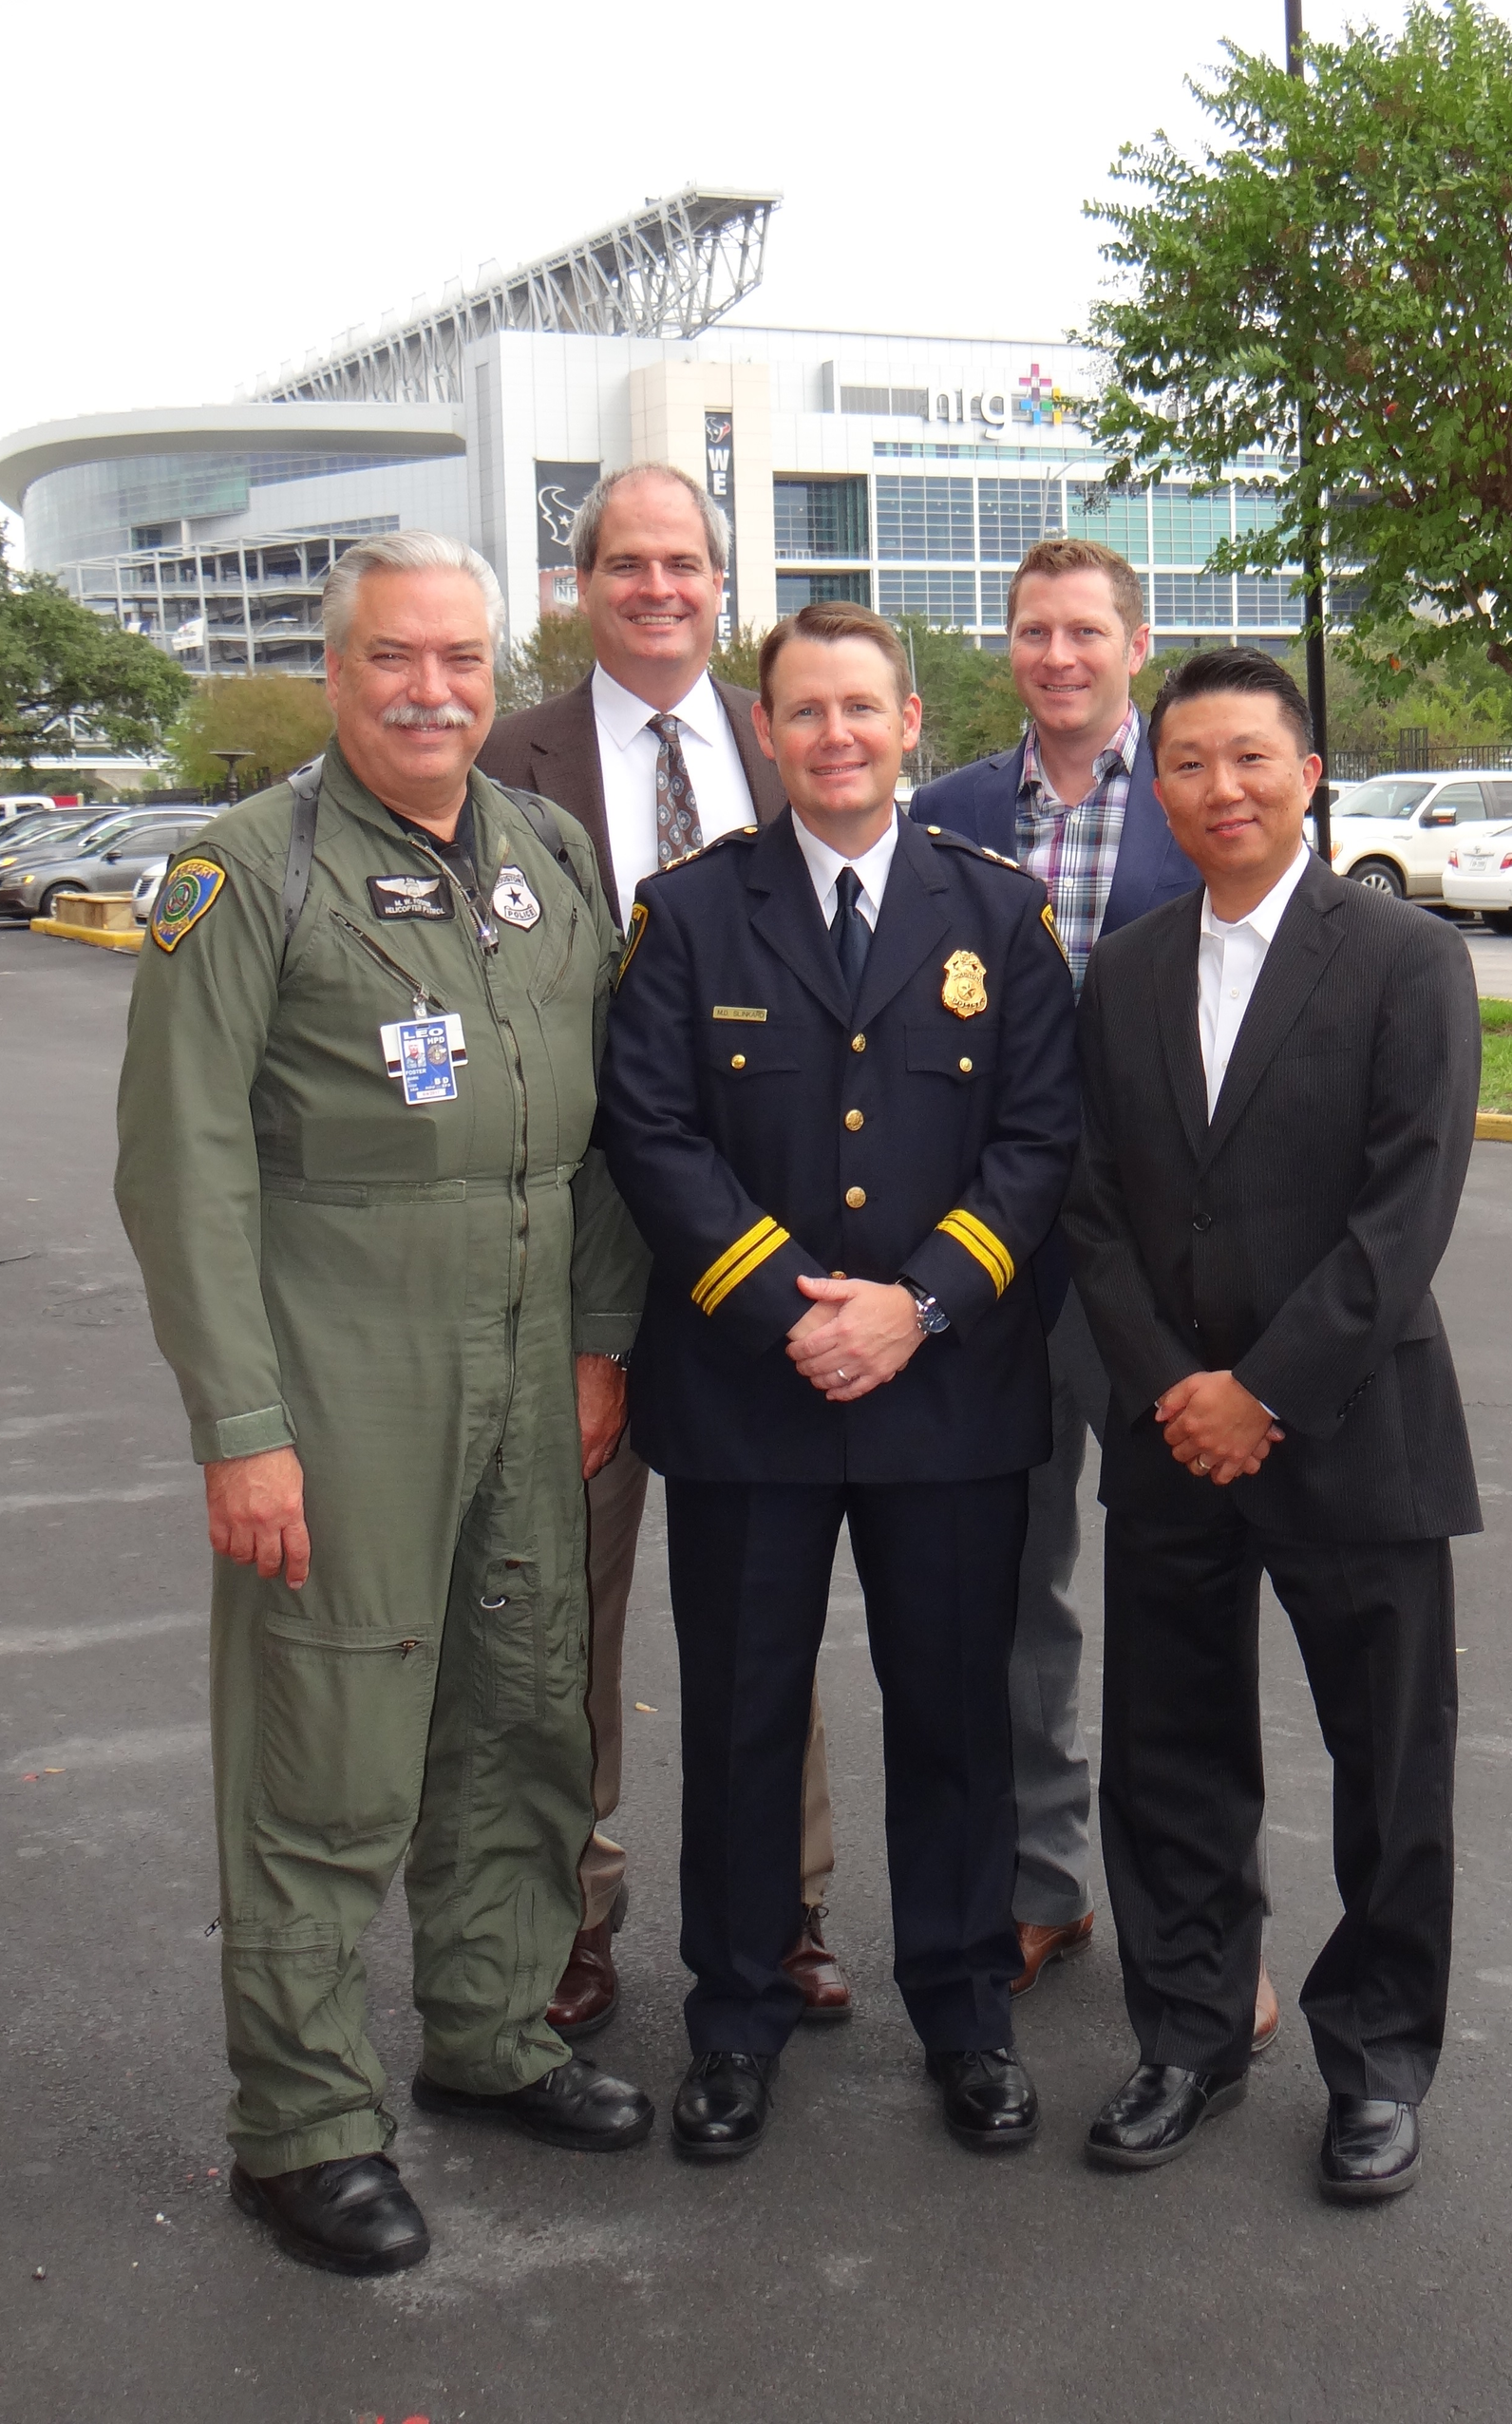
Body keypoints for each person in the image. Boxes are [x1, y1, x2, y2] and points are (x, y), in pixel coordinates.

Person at [115, 531, 654, 2279]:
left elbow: (607, 1132)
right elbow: (182, 1171)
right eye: (395, 661)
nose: (434, 692)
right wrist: (240, 1425)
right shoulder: (245, 874)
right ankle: (306, 2123)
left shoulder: (544, 853)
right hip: (342, 1379)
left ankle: (495, 2034)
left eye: (462, 660)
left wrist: (595, 1338)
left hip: (527, 1356)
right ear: (336, 673)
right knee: (327, 1753)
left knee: (520, 1712)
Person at [598, 600, 1080, 2159]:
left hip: (946, 1393)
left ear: (911, 722)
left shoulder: (997, 915)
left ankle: (962, 2009)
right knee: (742, 1719)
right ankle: (733, 2019)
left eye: (861, 709)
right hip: (752, 1392)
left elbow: (1037, 1143)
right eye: (803, 712)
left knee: (950, 1716)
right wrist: (787, 1309)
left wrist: (917, 1307)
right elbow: (653, 1133)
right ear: (767, 731)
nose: (835, 737)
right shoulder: (689, 912)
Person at [1063, 647, 1481, 2201]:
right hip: (1174, 1435)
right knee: (1171, 1755)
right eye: (1188, 764)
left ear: (1308, 773)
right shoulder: (1126, 967)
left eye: (1249, 759)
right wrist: (1178, 1383)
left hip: (1354, 1431)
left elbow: (1403, 1211)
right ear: (1155, 784)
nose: (1219, 789)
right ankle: (1186, 2036)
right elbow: (1089, 1204)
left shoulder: (1401, 958)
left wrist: (1267, 1390)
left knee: (1388, 1764)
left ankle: (1376, 2062)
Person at [478, 464, 848, 2034]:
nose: (656, 586)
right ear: (582, 588)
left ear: (722, 581)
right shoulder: (506, 761)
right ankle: (569, 1907)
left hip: (776, 1260)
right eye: (624, 562)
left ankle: (788, 1911)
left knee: (775, 1601)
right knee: (570, 1605)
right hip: (587, 1259)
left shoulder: (799, 742)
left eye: (683, 561)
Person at [912, 540, 1277, 2055]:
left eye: (1085, 630)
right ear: (1007, 651)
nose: (1057, 654)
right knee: (1013, 1601)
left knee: (1185, 1616)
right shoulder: (945, 818)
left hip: (1154, 1277)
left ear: (1135, 642)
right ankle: (1041, 1885)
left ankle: (1207, 1932)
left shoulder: (1197, 804)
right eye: (1031, 630)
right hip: (992, 1268)